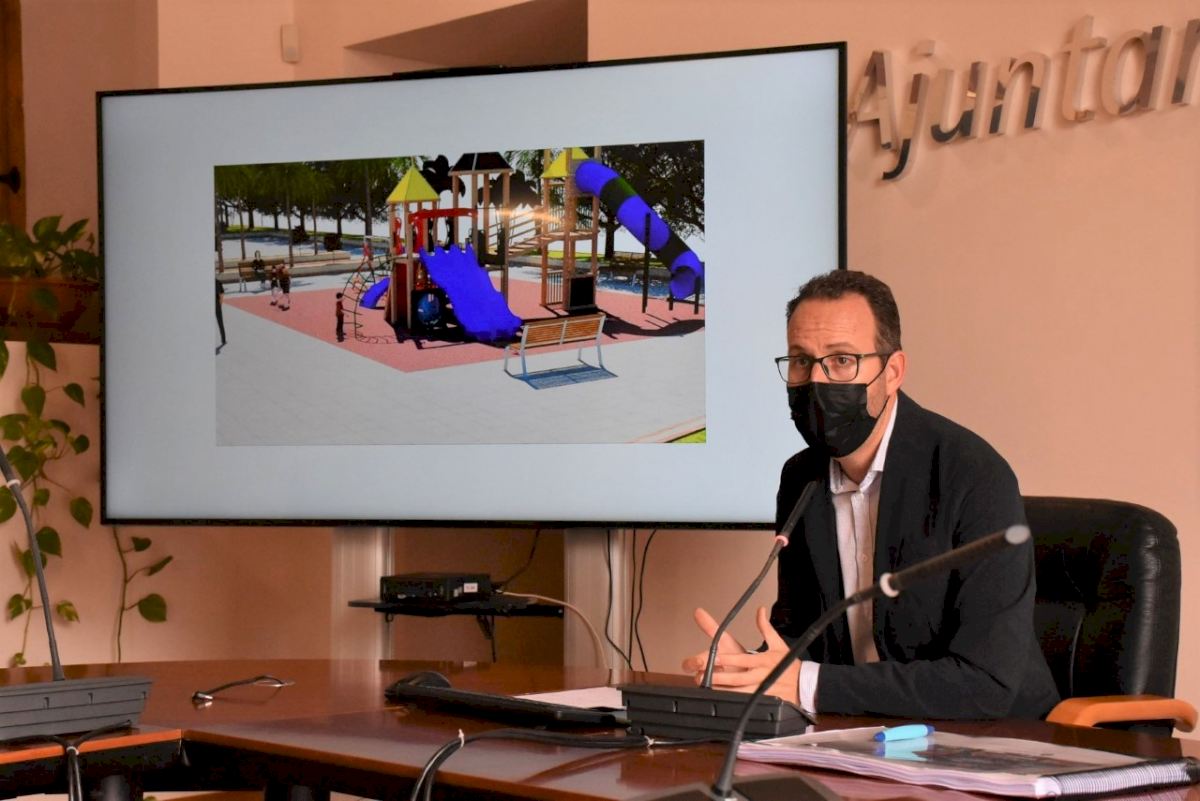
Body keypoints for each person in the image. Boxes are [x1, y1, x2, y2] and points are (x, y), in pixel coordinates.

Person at [682, 269, 1059, 721]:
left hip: (1001, 738)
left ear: (893, 371)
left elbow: (985, 683)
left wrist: (805, 683)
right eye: (800, 360)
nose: (816, 380)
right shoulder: (802, 478)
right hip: (863, 729)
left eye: (842, 360)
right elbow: (804, 635)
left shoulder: (972, 475)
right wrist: (752, 668)